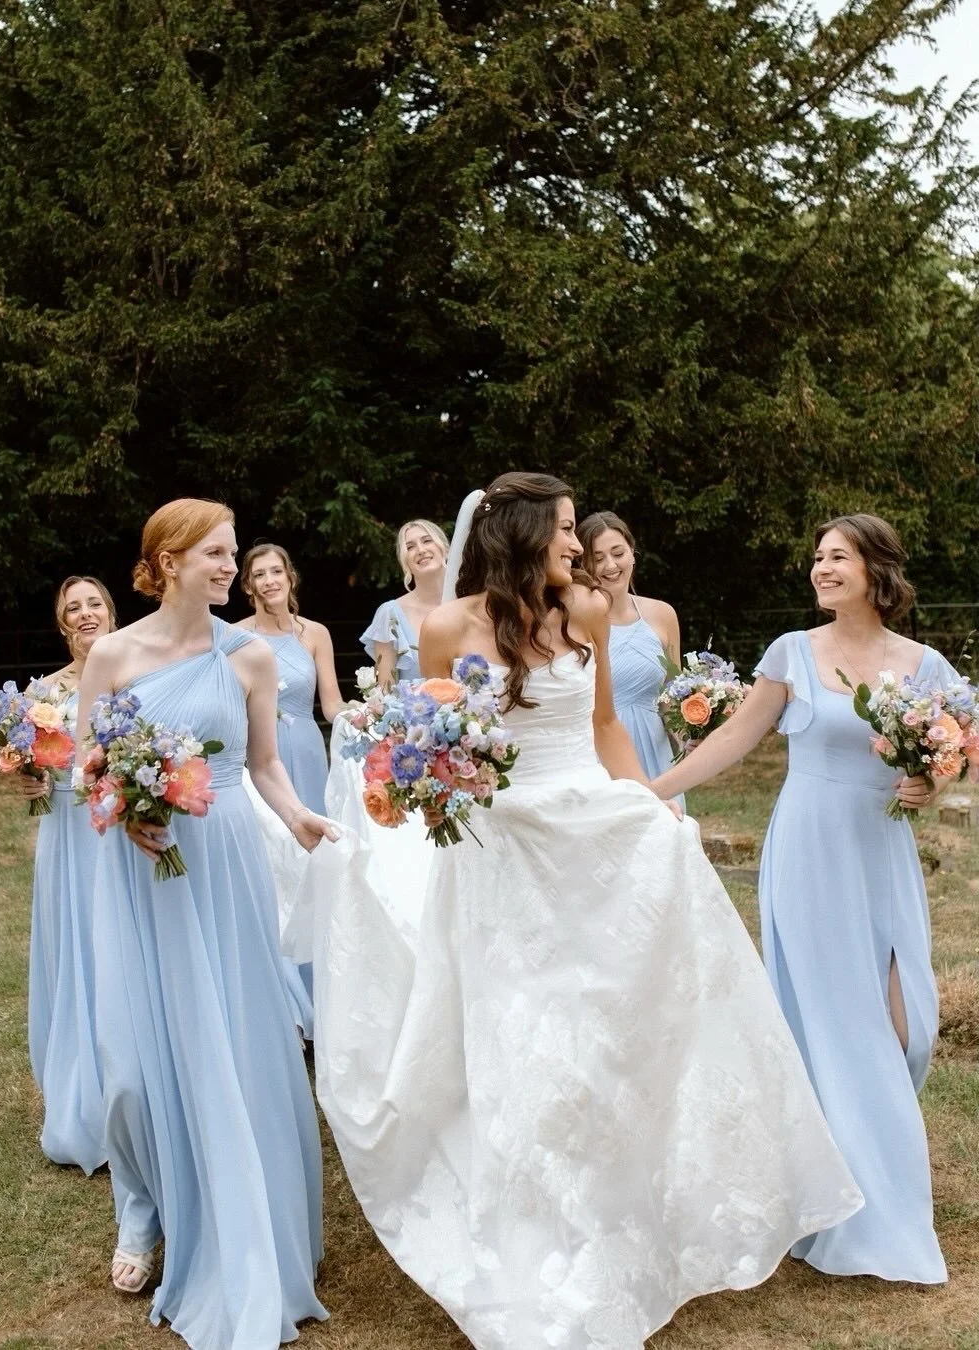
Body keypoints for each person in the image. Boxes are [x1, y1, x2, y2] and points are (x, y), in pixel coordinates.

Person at [308, 474, 863, 1350]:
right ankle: (534, 1229)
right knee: (519, 1030)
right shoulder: (446, 629)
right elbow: (435, 738)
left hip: (588, 830)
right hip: (501, 847)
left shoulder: (589, 614)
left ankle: (615, 1209)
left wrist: (649, 802)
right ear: (526, 531)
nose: (576, 542)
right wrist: (438, 786)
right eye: (566, 528)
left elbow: (604, 725)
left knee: (605, 1026)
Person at [652, 513, 952, 1284]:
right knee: (835, 1025)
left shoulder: (924, 666)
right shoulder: (793, 653)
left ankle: (848, 1169)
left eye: (838, 557)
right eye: (817, 557)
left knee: (904, 1026)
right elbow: (737, 737)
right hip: (810, 853)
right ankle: (868, 1216)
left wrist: (935, 781)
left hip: (881, 853)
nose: (821, 568)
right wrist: (655, 790)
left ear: (876, 570)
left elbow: (958, 755)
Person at [76, 499, 336, 1347]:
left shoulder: (253, 657)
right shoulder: (113, 655)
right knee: (137, 1056)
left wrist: (299, 818)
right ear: (169, 560)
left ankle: (254, 1220)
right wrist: (123, 803)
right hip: (143, 869)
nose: (230, 568)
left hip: (223, 860)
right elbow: (86, 768)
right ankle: (151, 1209)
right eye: (217, 555)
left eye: (233, 555)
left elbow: (262, 765)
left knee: (236, 1032)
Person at [21, 576, 116, 1174]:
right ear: (62, 622)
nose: (85, 614)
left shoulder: (135, 671)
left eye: (94, 604)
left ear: (111, 612)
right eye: (73, 607)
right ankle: (83, 1098)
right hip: (65, 833)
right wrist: (27, 776)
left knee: (119, 950)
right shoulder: (43, 693)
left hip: (118, 827)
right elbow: (37, 769)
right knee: (77, 950)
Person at [235, 542, 344, 1000]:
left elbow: (332, 703)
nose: (269, 581)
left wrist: (372, 722)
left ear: (289, 576)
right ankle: (283, 998)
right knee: (272, 866)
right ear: (248, 585)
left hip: (306, 750)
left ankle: (322, 990)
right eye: (259, 574)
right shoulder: (235, 636)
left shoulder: (314, 633)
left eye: (276, 571)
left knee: (312, 864)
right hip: (259, 754)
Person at [577, 510, 681, 783]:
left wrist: (689, 740)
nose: (610, 565)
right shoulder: (576, 623)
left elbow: (673, 697)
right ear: (584, 565)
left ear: (632, 552)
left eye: (618, 553)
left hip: (657, 754)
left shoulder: (663, 615)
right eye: (597, 559)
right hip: (599, 756)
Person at [360, 519, 449, 686]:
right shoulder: (390, 614)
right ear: (404, 561)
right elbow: (386, 691)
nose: (421, 550)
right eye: (410, 547)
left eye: (427, 540)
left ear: (445, 548)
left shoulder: (471, 604)